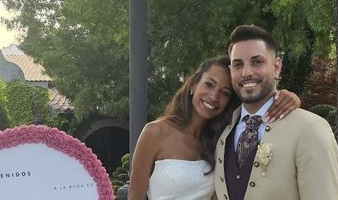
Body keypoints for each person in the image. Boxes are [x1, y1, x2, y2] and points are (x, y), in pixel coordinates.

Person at [128, 55, 301, 200]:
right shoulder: (155, 133)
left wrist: (290, 97)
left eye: (225, 93)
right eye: (209, 84)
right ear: (194, 85)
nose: (214, 96)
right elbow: (134, 196)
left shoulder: (224, 139)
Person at [214, 25, 338, 200]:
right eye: (238, 65)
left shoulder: (310, 129)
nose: (246, 72)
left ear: (276, 67)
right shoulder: (222, 130)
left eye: (257, 62)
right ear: (231, 72)